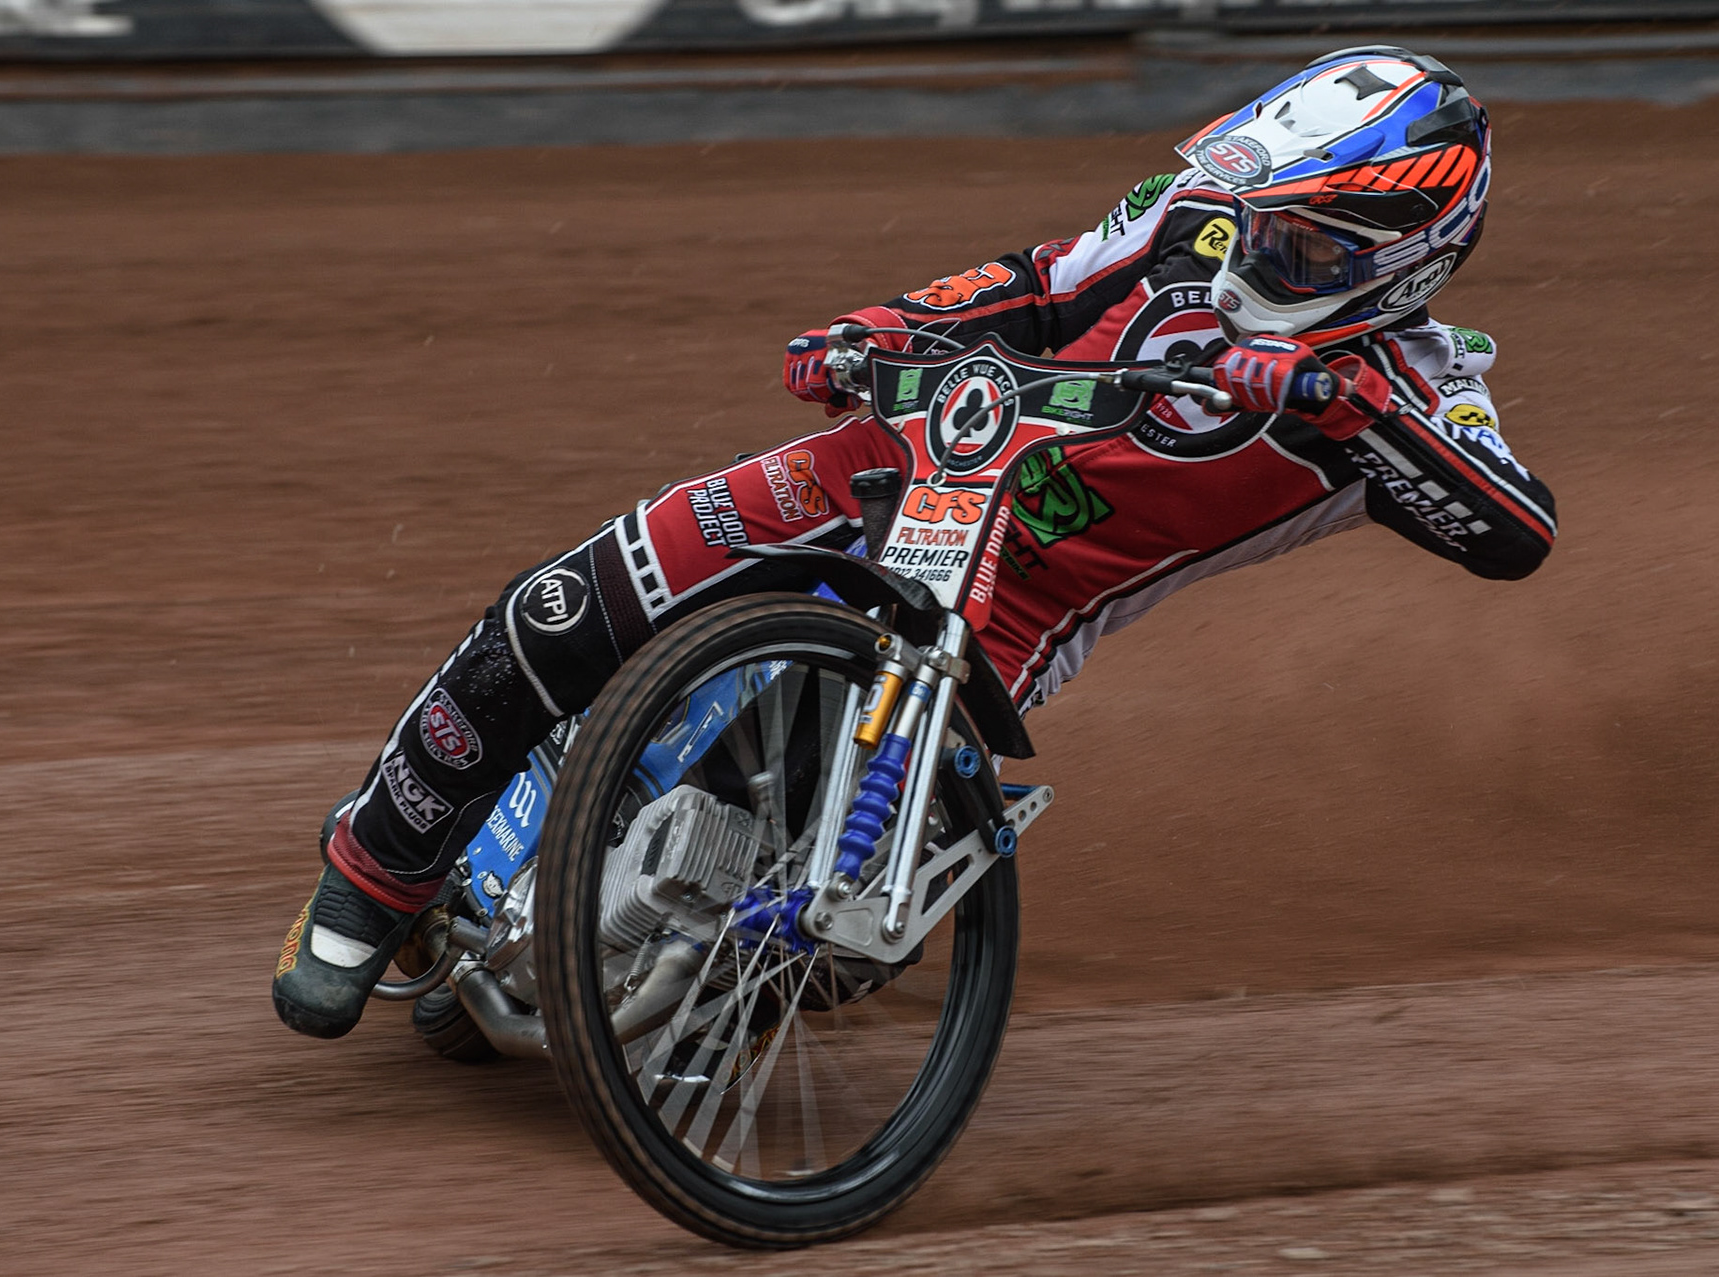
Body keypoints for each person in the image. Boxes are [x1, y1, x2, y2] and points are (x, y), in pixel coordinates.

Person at [273, 45, 1555, 1039]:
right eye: (1259, 218)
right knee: (572, 601)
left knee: (808, 895)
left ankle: (688, 963)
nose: (1253, 252)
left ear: (1406, 259)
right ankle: (372, 875)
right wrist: (876, 327)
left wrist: (1353, 401)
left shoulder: (1424, 386)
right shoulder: (1193, 212)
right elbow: (1044, 278)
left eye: (1302, 244)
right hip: (904, 454)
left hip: (1004, 617)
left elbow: (1515, 528)